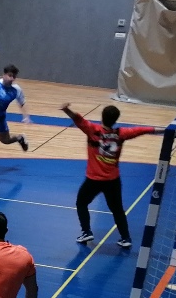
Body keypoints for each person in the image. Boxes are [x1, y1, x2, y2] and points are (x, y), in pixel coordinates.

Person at [61, 103, 160, 248]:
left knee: (81, 203)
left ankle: (86, 232)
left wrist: (66, 109)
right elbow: (140, 130)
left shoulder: (93, 130)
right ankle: (125, 238)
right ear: (115, 120)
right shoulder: (121, 133)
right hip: (112, 180)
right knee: (117, 209)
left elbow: (78, 119)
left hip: (93, 180)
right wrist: (164, 131)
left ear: (102, 117)